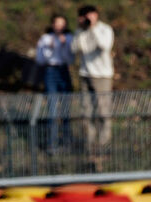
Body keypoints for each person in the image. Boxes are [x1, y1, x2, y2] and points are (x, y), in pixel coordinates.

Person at [71, 4, 115, 153]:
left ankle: (105, 142)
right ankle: (89, 142)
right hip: (85, 74)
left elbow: (104, 46)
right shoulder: (80, 31)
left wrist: (93, 29)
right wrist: (82, 31)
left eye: (90, 14)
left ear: (96, 15)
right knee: (86, 110)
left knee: (103, 109)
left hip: (102, 75)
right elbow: (75, 49)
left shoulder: (104, 29)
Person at [36, 15, 74, 151]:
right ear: (52, 24)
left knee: (65, 109)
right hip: (50, 72)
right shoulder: (45, 39)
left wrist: (63, 46)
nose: (59, 27)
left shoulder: (69, 38)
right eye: (57, 24)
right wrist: (50, 48)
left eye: (62, 24)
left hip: (63, 71)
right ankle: (52, 144)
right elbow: (40, 59)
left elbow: (70, 59)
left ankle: (67, 143)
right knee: (52, 109)